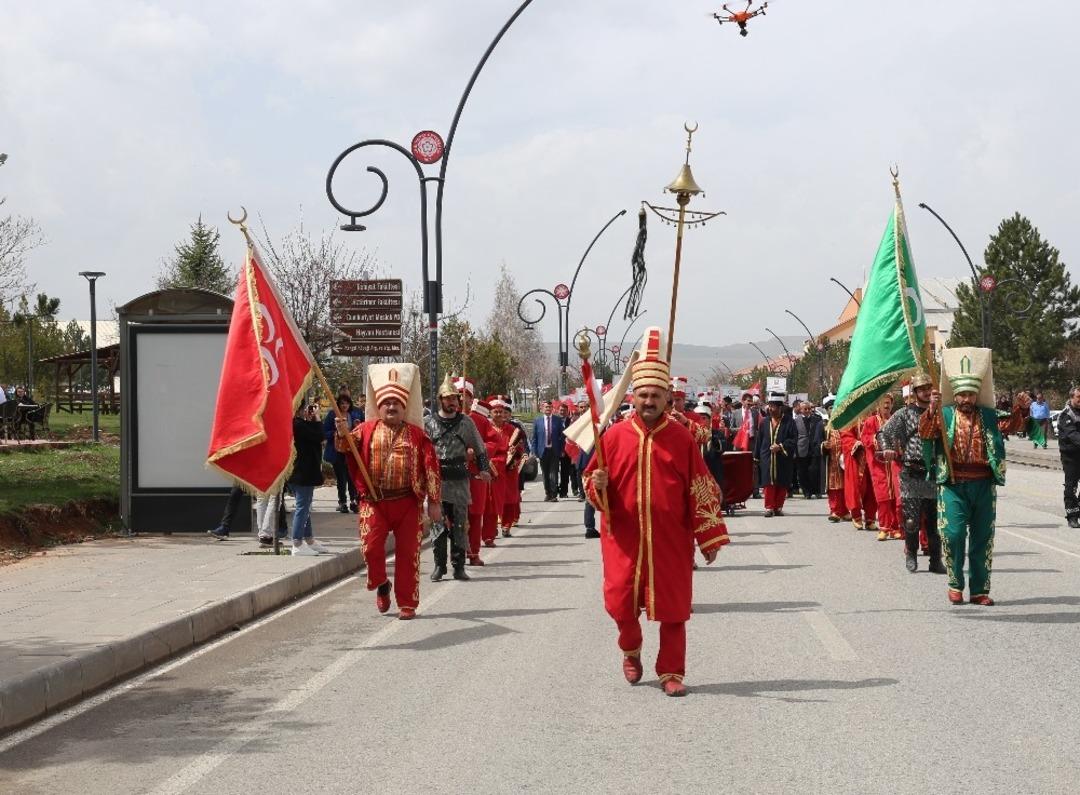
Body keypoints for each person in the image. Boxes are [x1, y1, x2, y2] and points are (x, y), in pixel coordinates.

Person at [583, 327, 729, 697]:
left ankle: (671, 671)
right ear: (633, 396)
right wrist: (596, 484)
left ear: (667, 398)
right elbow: (590, 484)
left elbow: (702, 487)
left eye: (656, 395)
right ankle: (630, 649)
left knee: (673, 608)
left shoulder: (682, 439)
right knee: (620, 603)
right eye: (643, 394)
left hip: (670, 539)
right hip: (623, 539)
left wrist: (708, 536)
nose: (649, 401)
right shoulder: (612, 436)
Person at [335, 363, 441, 620]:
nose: (392, 407)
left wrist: (435, 501)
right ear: (379, 406)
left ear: (404, 407)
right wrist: (341, 434)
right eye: (387, 403)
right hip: (374, 502)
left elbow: (431, 466)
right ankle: (382, 584)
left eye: (396, 403)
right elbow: (344, 448)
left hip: (407, 502)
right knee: (371, 550)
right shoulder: (365, 430)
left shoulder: (417, 435)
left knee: (408, 554)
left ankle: (407, 603)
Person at [919, 348, 1006, 606]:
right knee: (954, 535)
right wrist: (933, 409)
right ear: (954, 395)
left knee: (982, 538)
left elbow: (1011, 425)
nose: (967, 398)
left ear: (976, 394)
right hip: (953, 484)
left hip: (983, 483)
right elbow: (926, 433)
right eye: (962, 394)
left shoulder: (989, 416)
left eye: (971, 394)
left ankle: (979, 590)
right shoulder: (944, 415)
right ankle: (955, 583)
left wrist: (1022, 411)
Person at [426, 373, 491, 582]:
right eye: (448, 399)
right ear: (441, 400)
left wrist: (483, 469)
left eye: (455, 398)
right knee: (438, 525)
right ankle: (439, 565)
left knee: (460, 525)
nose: (452, 402)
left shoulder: (466, 423)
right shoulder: (429, 423)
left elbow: (480, 448)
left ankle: (459, 565)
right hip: (437, 479)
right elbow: (421, 451)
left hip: (459, 479)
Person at [880, 372, 946, 573]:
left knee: (935, 521)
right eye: (922, 389)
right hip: (912, 472)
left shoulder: (942, 412)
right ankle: (911, 555)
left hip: (934, 472)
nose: (926, 392)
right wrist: (887, 448)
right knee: (911, 520)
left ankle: (935, 560)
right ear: (915, 392)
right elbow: (883, 433)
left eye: (929, 388)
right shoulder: (905, 414)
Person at [457, 379, 499, 564]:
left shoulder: (480, 420)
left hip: (475, 477)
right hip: (453, 478)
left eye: (464, 395)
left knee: (475, 516)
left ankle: (473, 553)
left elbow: (493, 442)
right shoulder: (444, 420)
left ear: (470, 398)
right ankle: (456, 555)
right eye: (457, 395)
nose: (460, 399)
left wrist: (476, 451)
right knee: (455, 517)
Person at [289, 400, 331, 556]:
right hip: (302, 472)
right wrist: (318, 418)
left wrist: (312, 420)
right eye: (305, 408)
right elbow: (320, 436)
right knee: (302, 507)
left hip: (305, 472)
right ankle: (297, 543)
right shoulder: (297, 424)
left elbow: (315, 435)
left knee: (305, 507)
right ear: (299, 410)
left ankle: (309, 539)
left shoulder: (301, 423)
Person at [863, 394, 902, 541]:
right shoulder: (871, 421)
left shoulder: (896, 420)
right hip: (879, 465)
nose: (886, 406)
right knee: (883, 496)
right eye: (884, 403)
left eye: (889, 403)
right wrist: (877, 440)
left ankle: (896, 527)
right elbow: (866, 439)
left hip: (895, 464)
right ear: (878, 405)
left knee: (897, 498)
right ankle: (884, 527)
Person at [753, 392, 798, 517]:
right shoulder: (764, 422)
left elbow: (793, 439)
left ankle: (778, 507)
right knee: (768, 482)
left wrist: (781, 447)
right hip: (767, 456)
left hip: (783, 457)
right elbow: (759, 440)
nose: (770, 409)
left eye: (773, 406)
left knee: (782, 482)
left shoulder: (789, 422)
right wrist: (756, 457)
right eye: (769, 406)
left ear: (779, 408)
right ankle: (769, 507)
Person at [490, 395, 527, 537]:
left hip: (509, 469)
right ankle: (491, 526)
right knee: (492, 500)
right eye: (496, 412)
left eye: (501, 412)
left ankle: (506, 526)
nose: (499, 415)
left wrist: (515, 451)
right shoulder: (487, 429)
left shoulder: (513, 429)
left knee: (510, 499)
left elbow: (520, 448)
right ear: (491, 413)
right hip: (493, 469)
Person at [323, 393, 364, 513]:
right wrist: (338, 431)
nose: (344, 405)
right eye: (342, 403)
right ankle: (342, 502)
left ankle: (353, 501)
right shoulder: (332, 415)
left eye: (346, 403)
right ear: (338, 404)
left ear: (350, 404)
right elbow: (325, 432)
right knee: (341, 479)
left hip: (352, 451)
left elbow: (363, 429)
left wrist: (357, 428)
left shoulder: (356, 413)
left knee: (352, 477)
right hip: (338, 452)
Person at [840, 417, 878, 531]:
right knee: (855, 487)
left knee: (872, 488)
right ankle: (856, 516)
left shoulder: (874, 415)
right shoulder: (851, 415)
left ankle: (870, 518)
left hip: (872, 454)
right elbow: (845, 435)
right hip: (856, 456)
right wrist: (855, 442)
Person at [820, 395, 849, 523]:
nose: (834, 409)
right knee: (833, 487)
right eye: (831, 407)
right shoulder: (824, 424)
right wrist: (823, 445)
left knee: (846, 486)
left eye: (835, 407)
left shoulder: (846, 423)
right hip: (831, 461)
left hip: (845, 460)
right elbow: (817, 441)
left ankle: (845, 510)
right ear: (827, 410)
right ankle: (835, 511)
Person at [1056, 387, 1080, 528]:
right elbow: (1073, 436)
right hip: (1070, 456)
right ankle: (1072, 516)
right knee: (1071, 487)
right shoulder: (1066, 415)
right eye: (1079, 397)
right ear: (1072, 397)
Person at [533, 400, 565, 502]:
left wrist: (562, 449)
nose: (548, 409)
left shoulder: (557, 420)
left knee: (554, 473)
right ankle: (548, 493)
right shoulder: (537, 421)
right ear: (542, 408)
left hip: (554, 450)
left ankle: (554, 495)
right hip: (542, 451)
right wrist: (534, 452)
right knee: (545, 474)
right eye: (546, 407)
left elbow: (562, 436)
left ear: (552, 409)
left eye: (550, 407)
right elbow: (534, 438)